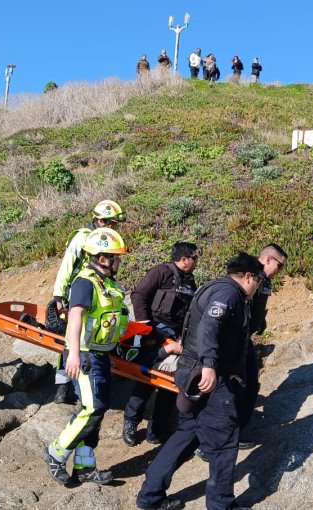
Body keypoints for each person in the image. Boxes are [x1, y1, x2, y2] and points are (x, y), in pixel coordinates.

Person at [136, 253, 264, 510]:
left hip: (193, 371)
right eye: (258, 281)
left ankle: (150, 496)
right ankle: (221, 505)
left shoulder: (214, 287)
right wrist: (209, 366)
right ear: (249, 276)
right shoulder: (228, 294)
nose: (258, 286)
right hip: (205, 376)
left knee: (188, 433)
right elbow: (209, 326)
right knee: (225, 438)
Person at [41, 228, 130, 486]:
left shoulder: (109, 284)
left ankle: (85, 466)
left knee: (94, 411)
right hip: (84, 356)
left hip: (100, 355)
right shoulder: (85, 282)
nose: (119, 261)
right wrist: (73, 354)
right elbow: (75, 317)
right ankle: (56, 454)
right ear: (103, 258)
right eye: (116, 257)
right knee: (93, 408)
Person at [45, 200, 126, 405]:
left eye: (113, 223)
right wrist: (58, 296)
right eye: (106, 222)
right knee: (71, 335)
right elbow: (67, 264)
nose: (110, 226)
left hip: (97, 290)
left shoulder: (109, 242)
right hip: (79, 290)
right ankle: (63, 386)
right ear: (97, 219)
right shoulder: (83, 237)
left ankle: (87, 380)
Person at [122, 242, 200, 447]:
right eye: (195, 257)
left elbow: (189, 314)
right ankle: (131, 421)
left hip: (175, 336)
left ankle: (156, 429)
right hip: (153, 331)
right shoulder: (161, 272)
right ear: (184, 259)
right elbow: (139, 295)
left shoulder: (190, 282)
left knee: (170, 380)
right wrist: (145, 326)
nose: (196, 261)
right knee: (146, 377)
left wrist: (183, 338)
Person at [238, 243, 288, 448]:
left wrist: (261, 322)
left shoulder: (265, 281)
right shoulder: (248, 274)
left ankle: (238, 429)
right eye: (280, 265)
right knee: (237, 388)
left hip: (246, 338)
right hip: (235, 340)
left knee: (250, 385)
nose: (280, 271)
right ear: (268, 259)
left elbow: (259, 305)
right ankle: (217, 440)